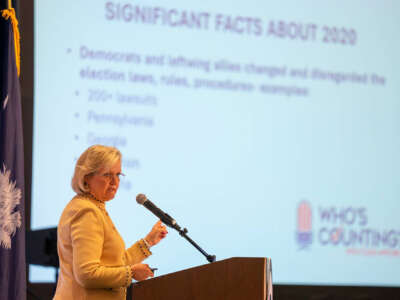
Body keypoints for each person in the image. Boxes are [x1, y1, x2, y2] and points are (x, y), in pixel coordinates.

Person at [53, 145, 168, 300]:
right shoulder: (87, 211)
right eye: (107, 175)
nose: (115, 182)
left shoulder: (93, 207)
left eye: (118, 175)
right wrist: (131, 273)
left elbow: (114, 264)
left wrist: (148, 242)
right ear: (86, 177)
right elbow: (87, 274)